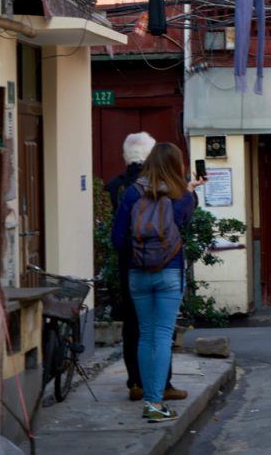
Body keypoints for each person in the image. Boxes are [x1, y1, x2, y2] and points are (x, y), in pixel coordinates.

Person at [112, 143, 205, 422]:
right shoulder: (178, 195)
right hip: (169, 271)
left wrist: (140, 249)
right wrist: (190, 191)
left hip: (138, 273)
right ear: (177, 166)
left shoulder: (131, 193)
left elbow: (117, 239)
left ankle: (146, 393)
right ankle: (154, 402)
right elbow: (182, 222)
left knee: (146, 334)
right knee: (163, 336)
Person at [106, 132, 178, 402]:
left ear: (126, 155)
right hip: (163, 263)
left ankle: (135, 381)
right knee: (161, 328)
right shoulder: (164, 186)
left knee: (134, 324)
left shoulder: (117, 187)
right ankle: (162, 385)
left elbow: (116, 237)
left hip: (130, 265)